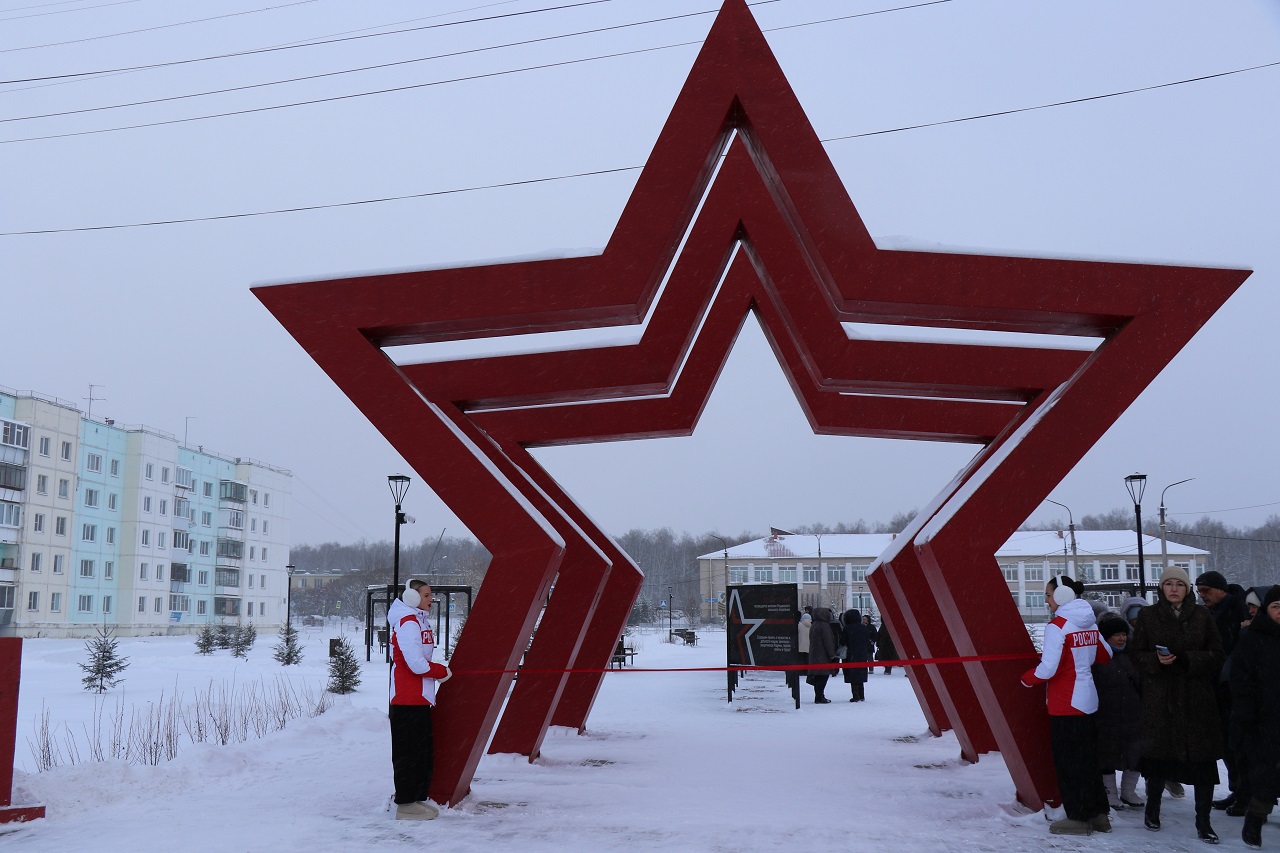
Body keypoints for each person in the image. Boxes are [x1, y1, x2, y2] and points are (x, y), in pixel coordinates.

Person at [1131, 566, 1225, 843]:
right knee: (1158, 760)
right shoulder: (1148, 616)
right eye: (1168, 583)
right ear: (1161, 588)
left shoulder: (1202, 616)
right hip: (1161, 698)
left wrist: (1187, 659)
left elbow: (1217, 655)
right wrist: (1155, 661)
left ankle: (1204, 822)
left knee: (1202, 763)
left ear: (1188, 589)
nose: (1174, 589)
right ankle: (1153, 809)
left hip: (1196, 700)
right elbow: (1137, 654)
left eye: (1179, 584)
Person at [1021, 575, 1112, 836]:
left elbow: (1047, 669)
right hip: (1089, 700)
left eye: (1049, 595)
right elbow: (1105, 656)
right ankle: (1099, 815)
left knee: (1069, 763)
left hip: (1066, 704)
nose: (1047, 600)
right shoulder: (1089, 623)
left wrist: (1026, 679)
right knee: (1088, 760)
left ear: (1061, 595)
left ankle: (1078, 817)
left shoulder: (1058, 626)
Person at [387, 579, 452, 820]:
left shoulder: (418, 621)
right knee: (408, 754)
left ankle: (415, 799)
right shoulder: (407, 624)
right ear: (412, 598)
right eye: (426, 595)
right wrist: (440, 671)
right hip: (406, 700)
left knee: (421, 753)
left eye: (430, 594)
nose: (430, 599)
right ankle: (405, 804)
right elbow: (415, 663)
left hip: (420, 698)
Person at [1196, 570, 1251, 815]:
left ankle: (1246, 794)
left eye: (1206, 591)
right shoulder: (1214, 612)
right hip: (1219, 687)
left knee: (1239, 744)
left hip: (1235, 689)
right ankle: (1238, 790)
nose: (1202, 596)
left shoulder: (1238, 612)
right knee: (1228, 744)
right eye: (1199, 592)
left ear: (1221, 589)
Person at [1230, 585, 1280, 849]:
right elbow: (1239, 680)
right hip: (1264, 719)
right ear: (1267, 609)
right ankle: (1256, 816)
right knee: (1265, 775)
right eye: (1276, 606)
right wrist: (1247, 714)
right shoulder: (1252, 637)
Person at [1093, 613, 1144, 809]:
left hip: (1134, 713)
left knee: (1136, 752)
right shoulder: (1097, 658)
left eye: (1123, 634)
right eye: (1116, 635)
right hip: (1107, 714)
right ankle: (1110, 793)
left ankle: (1128, 791)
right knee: (1107, 753)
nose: (1121, 638)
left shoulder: (1134, 655)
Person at [841, 609, 875, 702]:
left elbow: (843, 641)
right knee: (860, 674)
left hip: (851, 654)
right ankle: (861, 694)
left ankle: (855, 695)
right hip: (862, 654)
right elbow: (868, 641)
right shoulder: (864, 628)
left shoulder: (847, 628)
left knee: (853, 675)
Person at [806, 607, 838, 704]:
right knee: (823, 676)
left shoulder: (814, 625)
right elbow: (828, 642)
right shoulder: (824, 626)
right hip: (823, 655)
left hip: (814, 654)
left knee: (817, 676)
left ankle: (818, 695)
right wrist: (832, 654)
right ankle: (820, 696)